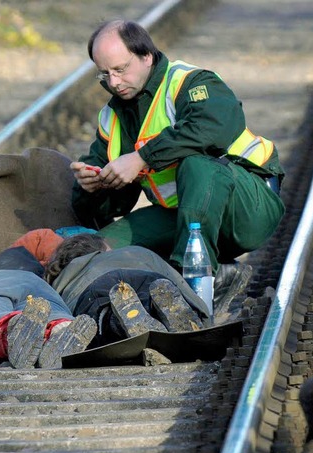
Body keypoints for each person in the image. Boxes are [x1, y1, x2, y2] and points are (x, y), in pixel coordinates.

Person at [70, 20, 286, 302]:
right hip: (181, 215)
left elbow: (216, 127)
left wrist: (141, 158)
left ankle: (192, 286)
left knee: (197, 164)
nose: (113, 82)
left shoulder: (190, 82)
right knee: (98, 251)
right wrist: (92, 186)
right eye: (105, 74)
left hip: (248, 208)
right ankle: (214, 277)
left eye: (120, 70)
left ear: (146, 56)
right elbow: (113, 203)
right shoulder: (112, 118)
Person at [45, 234, 210, 347]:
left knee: (107, 319)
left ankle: (122, 322)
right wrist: (202, 317)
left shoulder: (65, 278)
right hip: (149, 277)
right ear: (102, 249)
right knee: (152, 296)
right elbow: (186, 291)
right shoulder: (135, 252)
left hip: (98, 289)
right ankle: (151, 309)